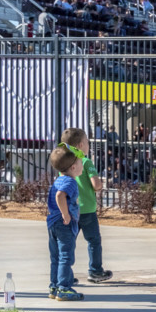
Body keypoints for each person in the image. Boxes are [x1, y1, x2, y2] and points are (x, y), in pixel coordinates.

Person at [60, 128, 111, 283]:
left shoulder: (64, 163)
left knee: (69, 242)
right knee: (93, 241)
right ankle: (95, 271)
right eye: (88, 142)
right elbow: (96, 184)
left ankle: (66, 273)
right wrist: (99, 185)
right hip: (87, 210)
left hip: (71, 210)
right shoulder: (85, 162)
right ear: (81, 145)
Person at [46, 145, 85, 302]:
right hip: (63, 224)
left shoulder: (59, 180)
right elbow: (60, 196)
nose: (83, 165)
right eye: (81, 163)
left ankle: (54, 286)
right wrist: (66, 214)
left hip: (53, 224)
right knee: (65, 257)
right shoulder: (70, 182)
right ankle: (64, 288)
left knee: (56, 257)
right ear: (74, 167)